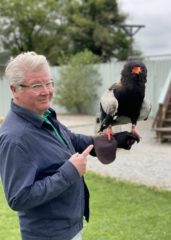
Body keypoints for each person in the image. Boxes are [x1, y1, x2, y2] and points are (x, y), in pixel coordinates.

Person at [0, 52, 139, 240]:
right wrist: (70, 172)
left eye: (49, 83)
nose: (46, 91)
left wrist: (115, 139)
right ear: (14, 89)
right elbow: (19, 198)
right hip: (49, 235)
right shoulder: (15, 138)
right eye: (36, 85)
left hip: (70, 227)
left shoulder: (44, 115)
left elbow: (70, 139)